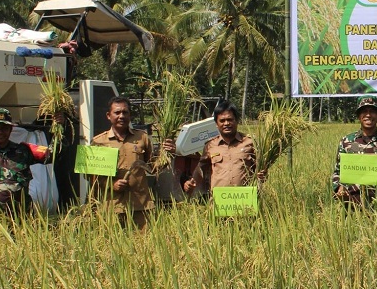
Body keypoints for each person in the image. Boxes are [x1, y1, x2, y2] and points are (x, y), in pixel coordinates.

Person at [163, 100, 265, 195]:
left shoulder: (250, 142)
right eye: (222, 120)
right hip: (219, 202)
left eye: (230, 119)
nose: (226, 123)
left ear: (236, 121)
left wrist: (262, 175)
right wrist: (191, 182)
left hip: (245, 200)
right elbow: (201, 169)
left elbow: (261, 168)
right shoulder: (210, 145)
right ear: (216, 124)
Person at [89, 96, 155, 228]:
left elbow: (153, 166)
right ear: (108, 115)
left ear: (130, 115)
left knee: (145, 246)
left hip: (140, 206)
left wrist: (168, 152)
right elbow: (91, 176)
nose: (121, 116)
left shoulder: (142, 137)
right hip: (112, 207)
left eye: (125, 112)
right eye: (117, 112)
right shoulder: (98, 142)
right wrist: (111, 184)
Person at [332, 96, 377, 204]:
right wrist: (338, 188)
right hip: (350, 203)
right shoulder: (346, 141)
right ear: (358, 116)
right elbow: (338, 171)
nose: (368, 115)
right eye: (364, 111)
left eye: (372, 111)